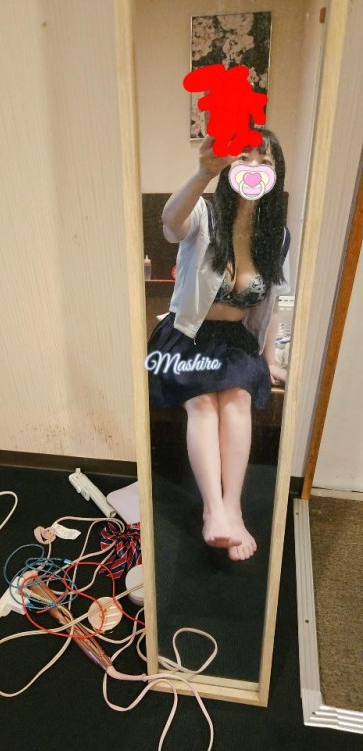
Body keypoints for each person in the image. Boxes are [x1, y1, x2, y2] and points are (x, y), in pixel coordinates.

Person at [145, 130, 291, 562]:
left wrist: (270, 359)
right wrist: (202, 173)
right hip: (187, 334)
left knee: (237, 400)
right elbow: (170, 224)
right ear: (229, 166)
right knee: (203, 403)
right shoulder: (205, 213)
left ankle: (233, 508)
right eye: (244, 157)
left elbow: (270, 305)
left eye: (265, 161)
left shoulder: (276, 236)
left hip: (235, 340)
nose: (254, 167)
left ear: (276, 173)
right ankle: (213, 510)